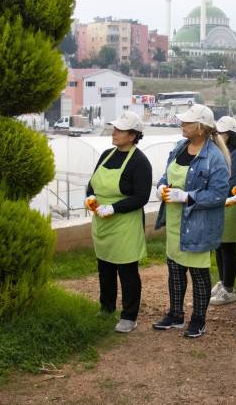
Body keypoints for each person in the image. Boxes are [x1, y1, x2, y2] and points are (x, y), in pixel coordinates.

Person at [152, 104, 230, 338]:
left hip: (198, 224)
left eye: (187, 122)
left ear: (200, 127)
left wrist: (188, 196)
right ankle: (175, 315)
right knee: (174, 269)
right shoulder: (179, 148)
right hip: (176, 221)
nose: (182, 125)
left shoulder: (213, 157)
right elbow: (166, 175)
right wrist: (162, 188)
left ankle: (199, 319)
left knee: (198, 273)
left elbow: (219, 194)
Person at [85, 111, 152, 333]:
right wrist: (91, 197)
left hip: (125, 224)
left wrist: (114, 207)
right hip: (102, 222)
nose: (114, 133)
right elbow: (92, 183)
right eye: (114, 129)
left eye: (120, 130)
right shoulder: (106, 154)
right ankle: (106, 307)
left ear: (133, 136)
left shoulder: (140, 162)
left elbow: (141, 197)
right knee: (105, 266)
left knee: (127, 270)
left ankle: (129, 316)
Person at [210, 116, 236, 306]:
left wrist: (215, 193)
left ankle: (229, 288)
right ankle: (223, 281)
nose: (217, 136)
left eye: (221, 133)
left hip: (231, 204)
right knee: (220, 244)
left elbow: (234, 182)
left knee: (227, 245)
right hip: (220, 202)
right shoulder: (223, 152)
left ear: (230, 135)